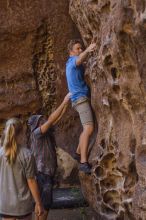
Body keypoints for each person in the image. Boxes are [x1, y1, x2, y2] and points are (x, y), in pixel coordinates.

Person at [28, 93, 71, 220]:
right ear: (36, 124)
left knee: (40, 203)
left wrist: (66, 105)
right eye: (41, 121)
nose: (44, 121)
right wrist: (63, 101)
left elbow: (55, 119)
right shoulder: (37, 134)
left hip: (45, 174)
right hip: (42, 174)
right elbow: (52, 120)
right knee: (45, 205)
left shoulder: (44, 133)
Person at [0, 118, 43, 220]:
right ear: (20, 134)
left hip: (4, 205)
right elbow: (31, 181)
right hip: (22, 206)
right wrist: (38, 203)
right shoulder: (27, 155)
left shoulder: (0, 153)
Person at [66, 39, 96, 174]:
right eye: (77, 49)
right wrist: (88, 50)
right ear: (71, 52)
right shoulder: (72, 61)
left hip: (78, 99)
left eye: (81, 48)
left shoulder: (70, 64)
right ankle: (83, 162)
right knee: (88, 128)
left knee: (86, 128)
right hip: (80, 99)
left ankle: (78, 153)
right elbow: (78, 61)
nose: (80, 51)